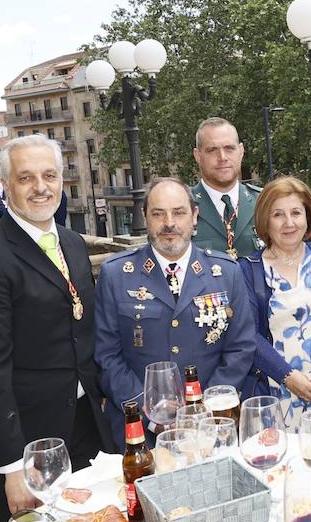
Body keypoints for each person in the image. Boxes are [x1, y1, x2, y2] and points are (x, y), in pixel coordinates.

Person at [0, 135, 112, 522]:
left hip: (84, 428)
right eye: (26, 178)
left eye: (49, 175)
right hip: (27, 442)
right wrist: (12, 466)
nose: (41, 187)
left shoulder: (71, 242)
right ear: (6, 184)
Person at [95, 178, 255, 446]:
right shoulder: (115, 274)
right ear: (145, 218)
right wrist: (150, 414)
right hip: (140, 433)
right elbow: (107, 357)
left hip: (212, 428)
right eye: (158, 213)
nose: (169, 222)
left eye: (179, 212)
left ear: (194, 217)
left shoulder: (226, 272)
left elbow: (241, 348)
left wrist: (205, 410)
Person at [240, 176, 311, 429]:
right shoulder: (248, 270)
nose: (289, 223)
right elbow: (248, 335)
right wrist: (288, 376)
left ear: (307, 217)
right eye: (278, 215)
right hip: (279, 393)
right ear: (265, 220)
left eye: (296, 212)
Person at [190, 117, 262, 259]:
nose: (222, 157)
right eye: (212, 150)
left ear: (241, 151)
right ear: (198, 156)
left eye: (229, 148)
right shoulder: (183, 208)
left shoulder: (264, 202)